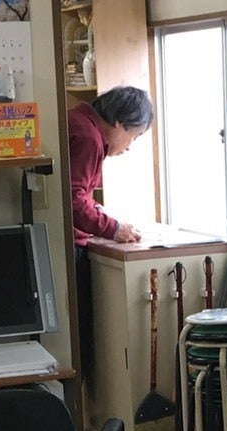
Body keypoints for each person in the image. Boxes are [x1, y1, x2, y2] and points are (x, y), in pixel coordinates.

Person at [68, 85, 154, 377]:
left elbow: (80, 196)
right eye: (133, 136)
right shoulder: (89, 138)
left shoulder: (77, 122)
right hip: (67, 246)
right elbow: (74, 201)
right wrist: (114, 228)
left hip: (63, 240)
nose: (129, 146)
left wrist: (105, 216)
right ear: (119, 122)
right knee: (79, 339)